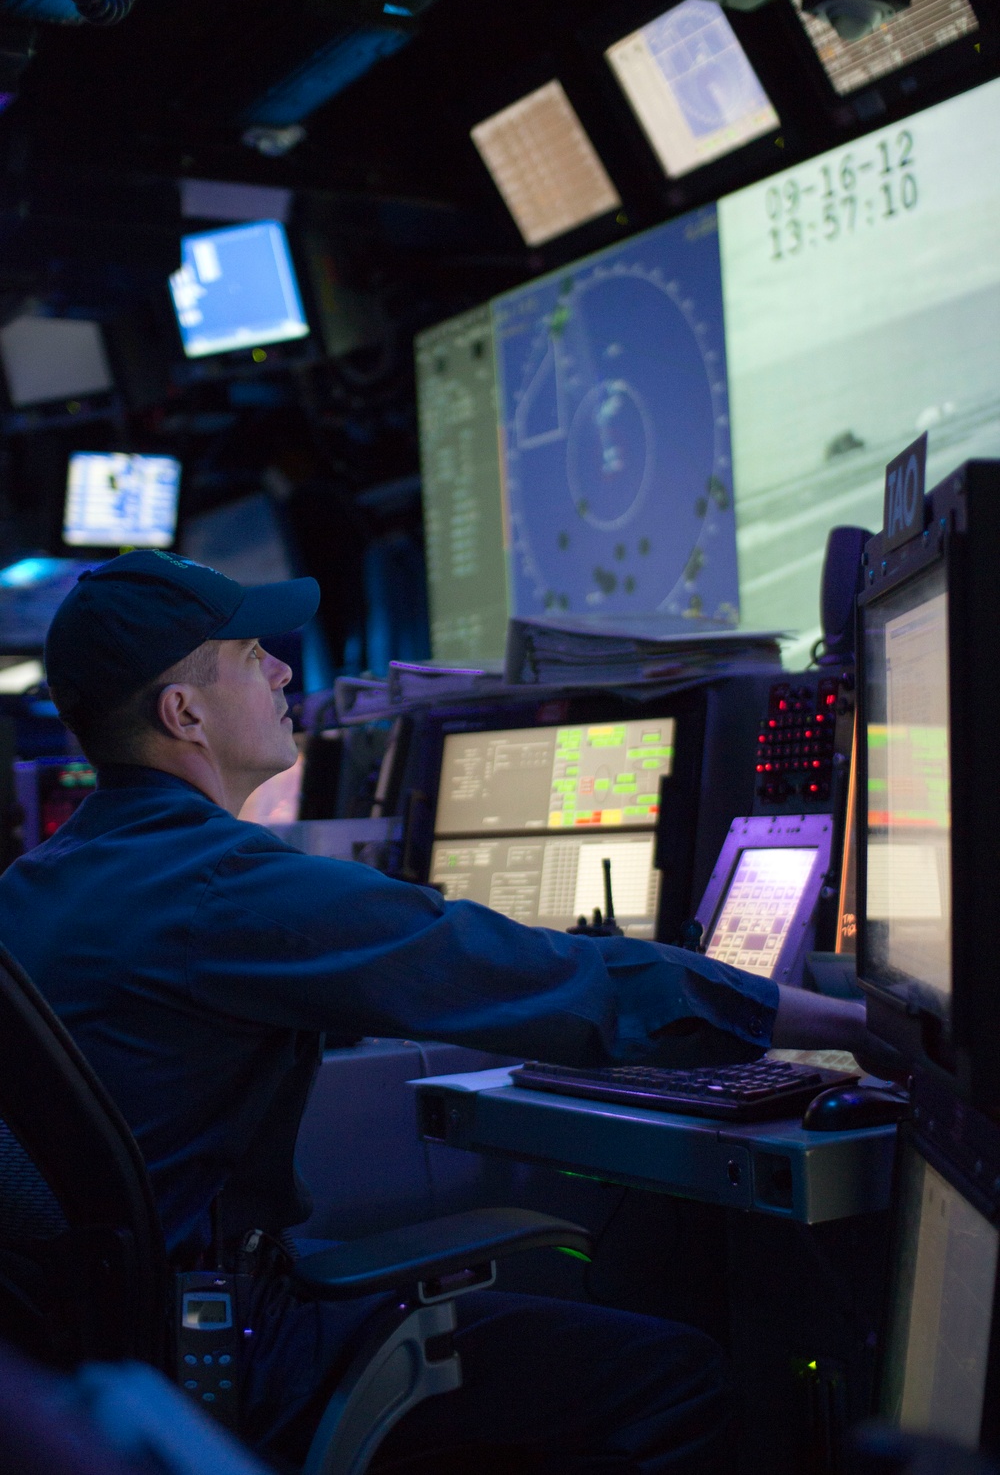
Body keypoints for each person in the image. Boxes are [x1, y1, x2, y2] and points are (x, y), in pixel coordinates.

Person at [0, 552, 892, 1474]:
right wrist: (853, 1023)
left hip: (91, 1354)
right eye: (250, 653)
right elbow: (545, 978)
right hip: (228, 1351)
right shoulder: (222, 887)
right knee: (675, 1376)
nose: (282, 672)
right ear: (183, 713)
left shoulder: (33, 884)